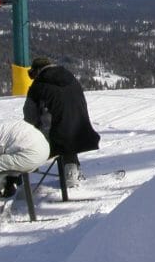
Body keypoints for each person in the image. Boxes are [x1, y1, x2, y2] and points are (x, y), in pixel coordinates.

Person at [23, 56, 100, 188]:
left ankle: (18, 180)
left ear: (37, 70)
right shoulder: (70, 78)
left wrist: (30, 133)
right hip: (82, 128)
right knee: (66, 131)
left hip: (58, 135)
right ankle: (71, 169)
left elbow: (29, 116)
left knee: (55, 133)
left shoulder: (38, 86)